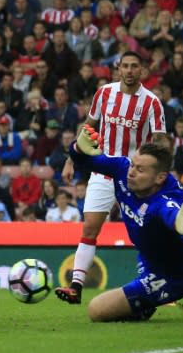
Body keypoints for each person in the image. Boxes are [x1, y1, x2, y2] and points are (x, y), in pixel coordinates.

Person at [62, 127, 183, 321]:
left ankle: (149, 305)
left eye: (140, 170)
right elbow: (84, 162)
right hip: (148, 258)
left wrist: (176, 222)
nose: (131, 172)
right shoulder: (122, 168)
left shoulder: (165, 197)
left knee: (96, 310)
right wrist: (77, 148)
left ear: (160, 178)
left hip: (172, 273)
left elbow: (169, 210)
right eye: (133, 165)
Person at [58, 51, 169, 304]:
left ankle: (163, 282)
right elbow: (89, 128)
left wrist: (159, 170)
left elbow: (161, 139)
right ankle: (76, 286)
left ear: (142, 71)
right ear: (118, 69)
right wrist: (70, 159)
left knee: (150, 232)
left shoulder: (151, 102)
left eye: (134, 67)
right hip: (103, 172)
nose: (129, 70)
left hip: (135, 176)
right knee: (89, 227)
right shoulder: (104, 94)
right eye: (125, 66)